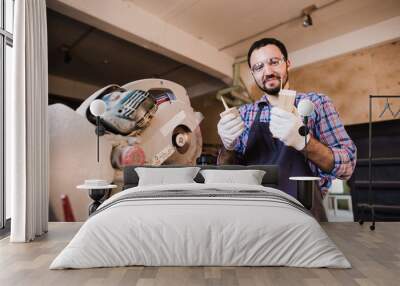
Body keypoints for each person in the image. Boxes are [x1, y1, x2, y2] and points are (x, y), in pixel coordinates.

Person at [217, 38, 357, 220]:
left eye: (273, 62)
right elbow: (226, 176)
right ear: (253, 74)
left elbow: (347, 166)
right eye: (258, 67)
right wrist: (227, 146)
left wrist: (304, 141)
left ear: (287, 64)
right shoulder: (243, 114)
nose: (267, 71)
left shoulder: (317, 103)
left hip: (305, 215)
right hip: (253, 215)